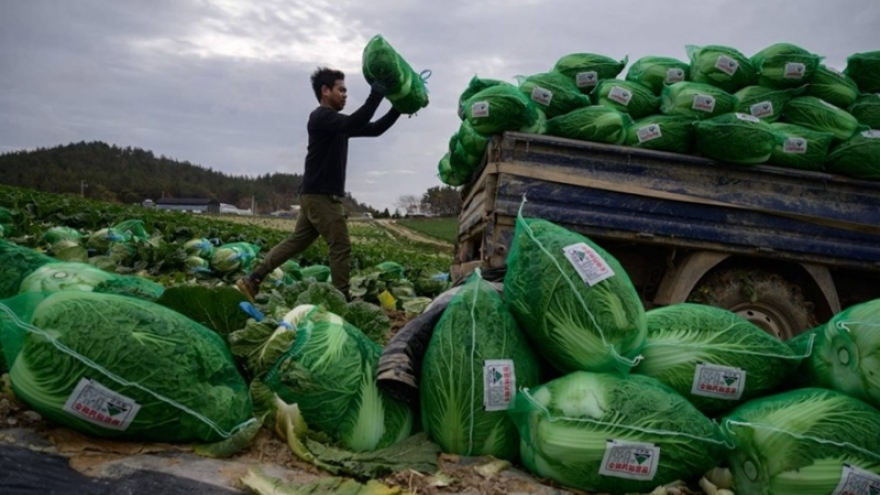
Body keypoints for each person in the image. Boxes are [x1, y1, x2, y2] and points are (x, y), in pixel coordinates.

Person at [236, 67, 401, 303]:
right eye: (341, 89)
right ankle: (341, 299)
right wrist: (377, 94)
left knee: (296, 242)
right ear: (325, 91)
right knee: (341, 246)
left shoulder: (338, 124)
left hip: (313, 193)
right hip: (321, 195)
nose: (345, 94)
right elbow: (356, 121)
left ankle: (252, 280)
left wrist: (397, 109)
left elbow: (374, 129)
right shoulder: (321, 117)